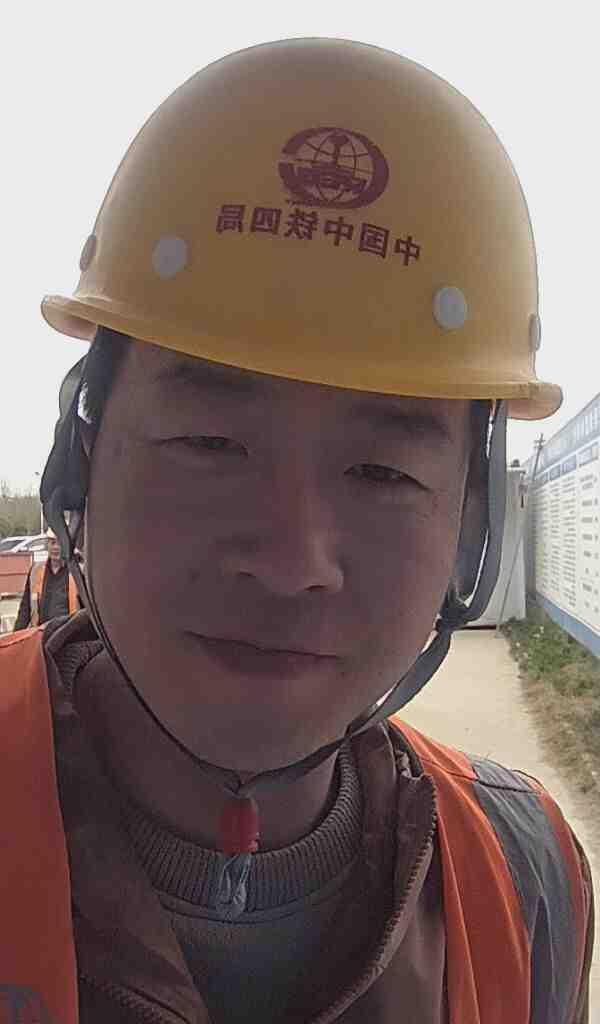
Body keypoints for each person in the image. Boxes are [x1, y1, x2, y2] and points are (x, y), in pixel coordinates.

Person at [0, 39, 594, 1024]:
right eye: (209, 442)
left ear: (468, 517)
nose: (291, 562)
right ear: (84, 461)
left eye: (382, 472)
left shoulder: (523, 877)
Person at [12, 526, 79, 630]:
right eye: (52, 542)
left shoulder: (77, 573)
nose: (55, 547)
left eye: (59, 543)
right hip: (41, 633)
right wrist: (17, 634)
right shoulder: (36, 571)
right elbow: (25, 608)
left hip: (67, 634)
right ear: (47, 545)